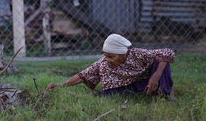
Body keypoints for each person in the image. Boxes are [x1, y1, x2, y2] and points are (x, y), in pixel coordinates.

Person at [46, 34, 175, 98]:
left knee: (161, 61)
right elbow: (83, 75)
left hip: (147, 81)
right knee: (110, 94)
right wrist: (60, 86)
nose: (107, 59)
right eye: (105, 55)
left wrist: (156, 76)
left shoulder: (136, 54)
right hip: (128, 88)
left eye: (111, 56)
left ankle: (165, 93)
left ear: (123, 54)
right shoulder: (103, 63)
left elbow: (167, 52)